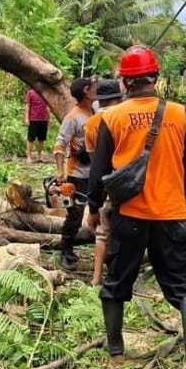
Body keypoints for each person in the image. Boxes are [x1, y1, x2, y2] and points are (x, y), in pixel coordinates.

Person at [87, 46, 186, 369]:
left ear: (125, 82)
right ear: (156, 78)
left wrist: (93, 210)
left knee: (116, 283)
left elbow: (98, 172)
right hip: (173, 216)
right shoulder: (178, 113)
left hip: (129, 216)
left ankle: (116, 351)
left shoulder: (109, 118)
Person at [84, 79, 123, 286]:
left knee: (102, 234)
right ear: (119, 97)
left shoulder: (91, 124)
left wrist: (93, 204)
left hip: (107, 185)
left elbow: (95, 164)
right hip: (131, 182)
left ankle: (97, 277)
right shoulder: (126, 117)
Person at [54, 77, 95, 271]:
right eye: (92, 87)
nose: (96, 89)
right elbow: (60, 144)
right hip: (77, 173)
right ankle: (65, 249)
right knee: (75, 214)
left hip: (96, 171)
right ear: (86, 92)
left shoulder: (95, 110)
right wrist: (60, 171)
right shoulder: (72, 117)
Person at [24, 88, 50, 163]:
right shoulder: (30, 92)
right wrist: (26, 118)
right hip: (33, 119)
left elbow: (47, 106)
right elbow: (27, 106)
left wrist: (49, 117)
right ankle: (29, 156)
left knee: (41, 139)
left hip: (43, 119)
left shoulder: (44, 93)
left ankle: (39, 156)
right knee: (31, 139)